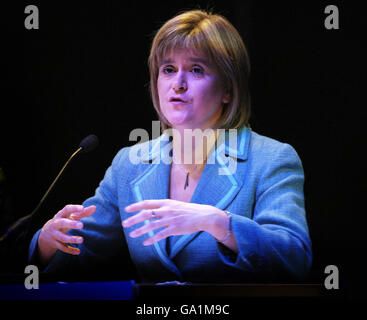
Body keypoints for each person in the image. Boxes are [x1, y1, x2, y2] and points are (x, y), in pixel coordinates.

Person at [29, 9, 312, 283]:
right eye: (168, 69)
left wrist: (218, 222)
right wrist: (49, 241)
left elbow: (294, 258)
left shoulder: (271, 159)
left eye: (196, 70)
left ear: (228, 89)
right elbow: (77, 254)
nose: (178, 84)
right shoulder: (130, 164)